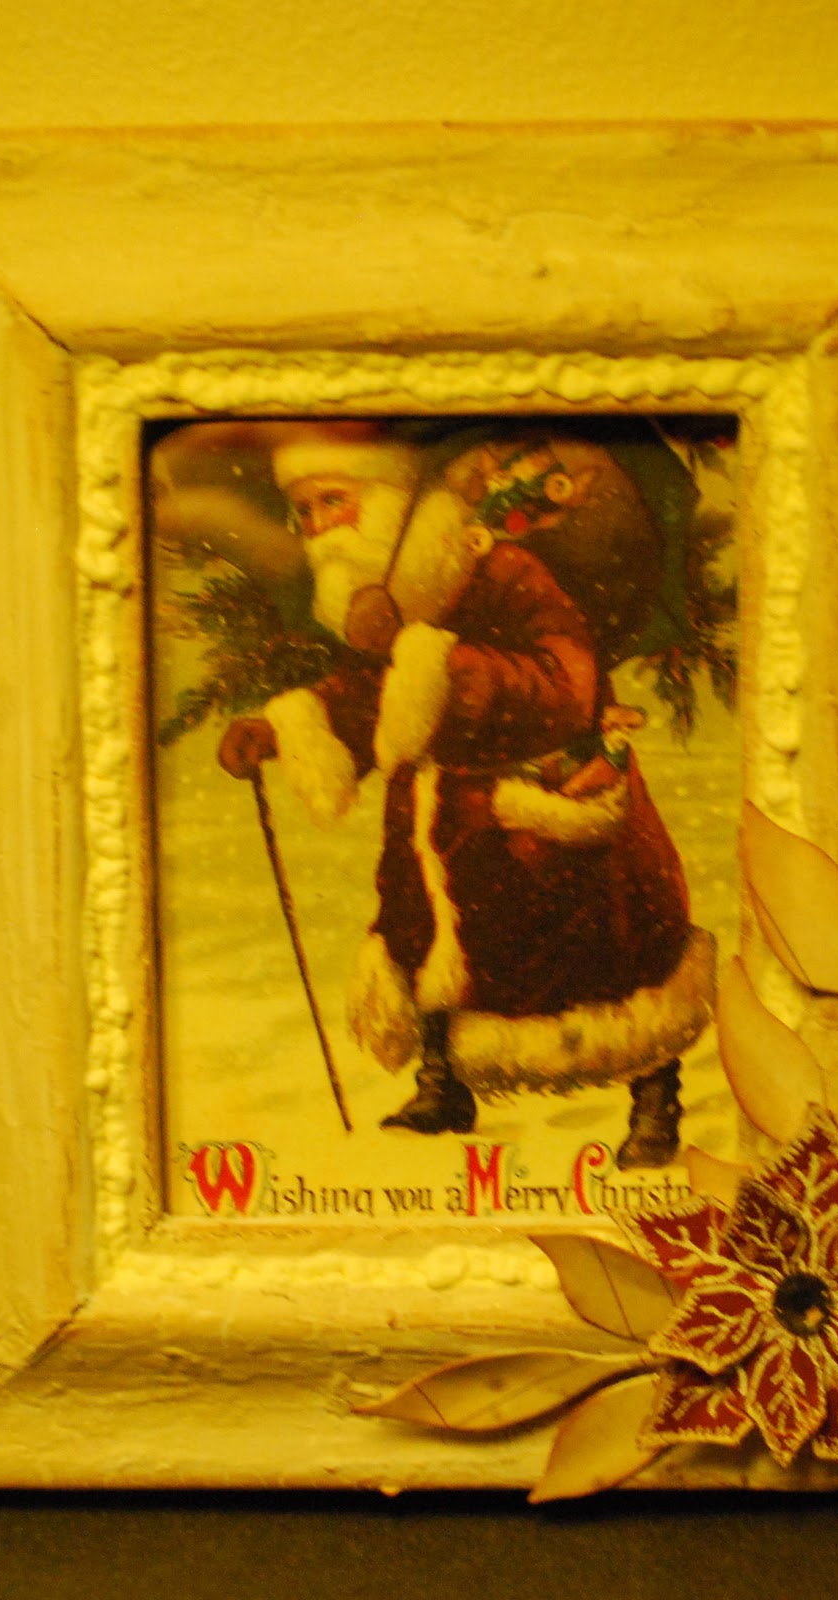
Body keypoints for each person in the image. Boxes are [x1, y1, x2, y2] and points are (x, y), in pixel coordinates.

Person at [218, 429, 715, 1169]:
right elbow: (378, 693)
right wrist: (284, 727)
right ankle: (441, 1083)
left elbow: (568, 681)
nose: (319, 525)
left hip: (540, 796)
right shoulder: (393, 595)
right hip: (444, 809)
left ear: (391, 501)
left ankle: (654, 1099)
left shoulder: (506, 569)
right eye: (306, 511)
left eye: (333, 501)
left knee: (612, 956)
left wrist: (450, 669)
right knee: (427, 935)